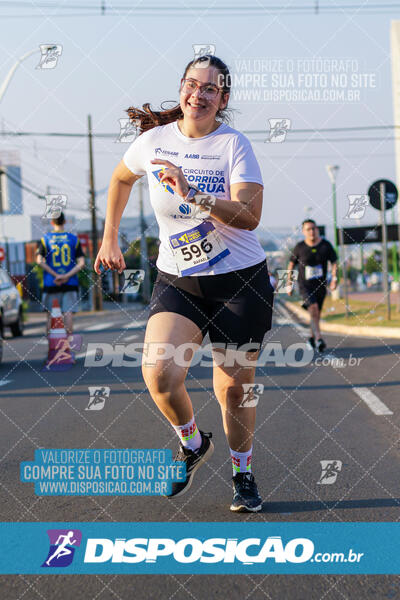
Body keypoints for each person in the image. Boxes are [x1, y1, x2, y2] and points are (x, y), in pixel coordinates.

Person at [94, 54, 274, 512]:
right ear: (181, 88)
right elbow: (119, 179)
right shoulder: (154, 142)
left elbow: (250, 216)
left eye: (210, 88)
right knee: (159, 373)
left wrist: (193, 192)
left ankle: (243, 474)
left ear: (223, 98)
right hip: (179, 280)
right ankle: (193, 444)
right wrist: (110, 236)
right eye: (192, 84)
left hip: (238, 283)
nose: (199, 94)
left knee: (234, 388)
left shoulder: (234, 146)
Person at [287, 219, 338, 352]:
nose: (312, 231)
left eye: (314, 228)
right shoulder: (299, 247)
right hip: (305, 285)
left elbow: (334, 262)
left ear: (317, 229)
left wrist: (334, 279)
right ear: (303, 232)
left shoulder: (325, 245)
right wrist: (288, 284)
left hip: (321, 285)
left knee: (315, 313)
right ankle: (319, 337)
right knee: (313, 307)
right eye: (308, 229)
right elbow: (291, 264)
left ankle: (311, 336)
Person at [36, 212, 85, 336]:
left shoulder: (45, 239)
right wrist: (66, 276)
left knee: (50, 314)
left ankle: (51, 347)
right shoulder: (74, 239)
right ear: (65, 222)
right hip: (70, 281)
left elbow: (39, 260)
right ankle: (67, 346)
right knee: (68, 312)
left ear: (52, 222)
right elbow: (81, 263)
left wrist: (55, 275)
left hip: (51, 282)